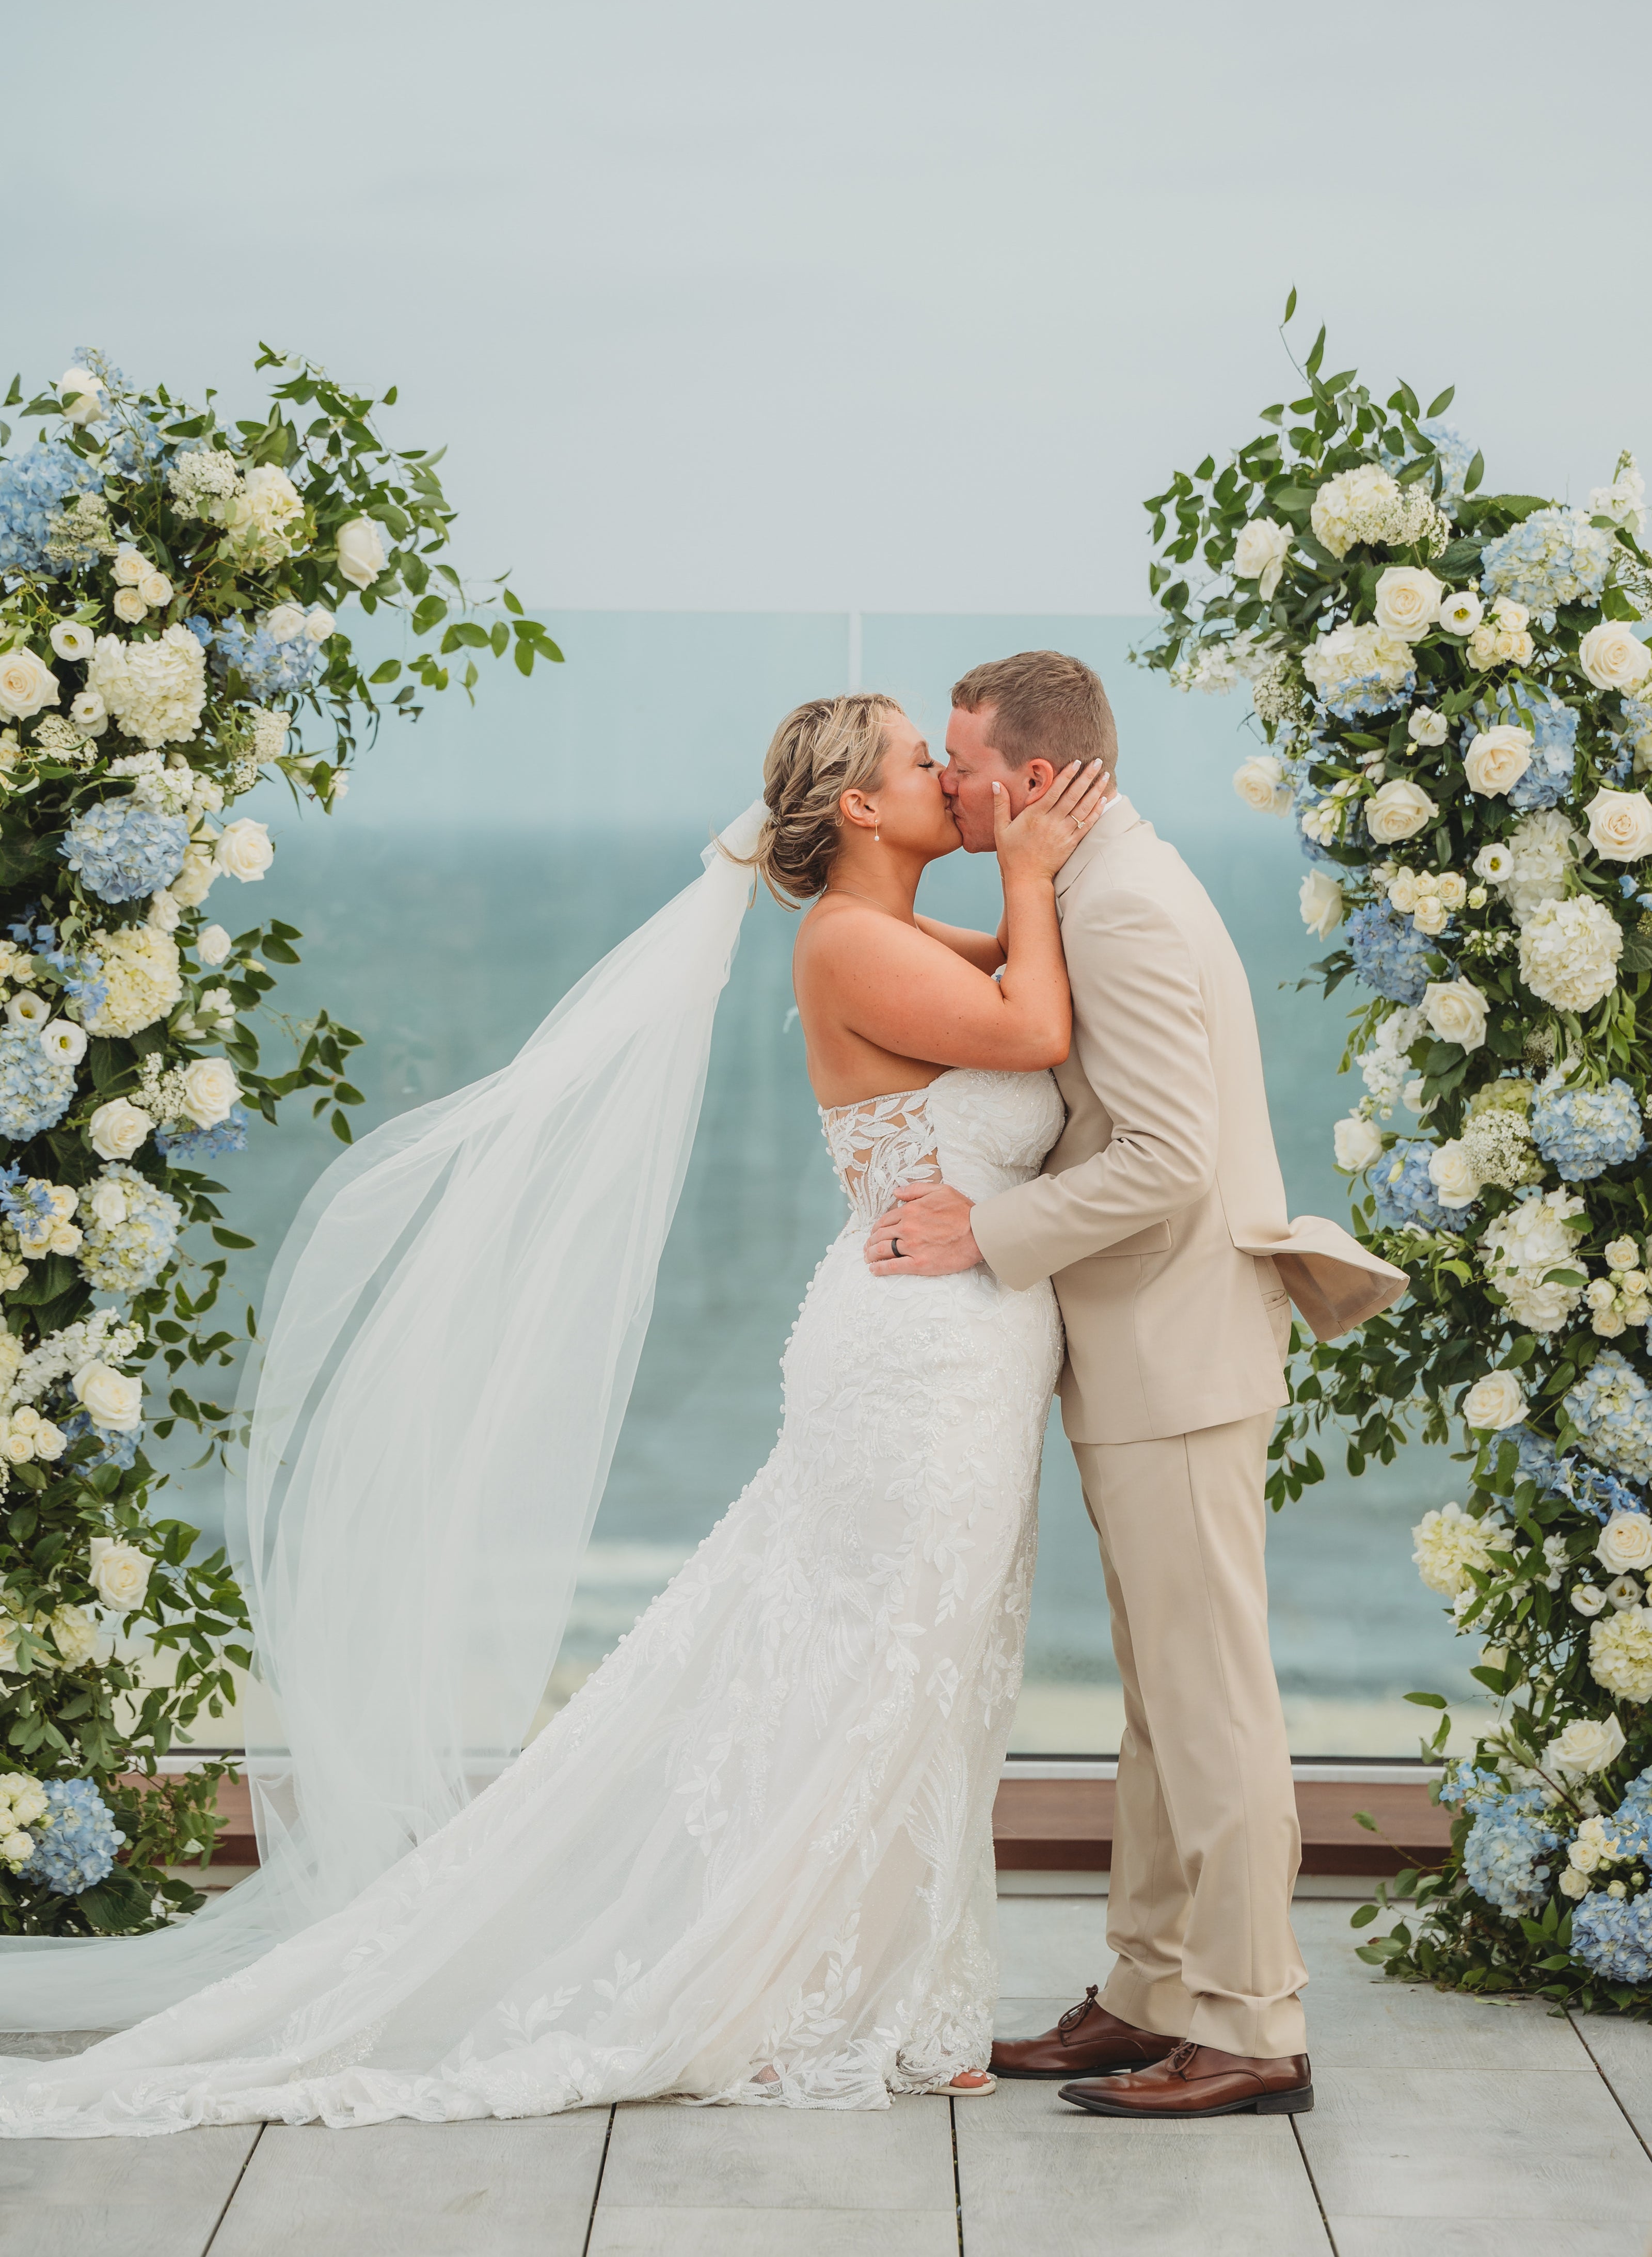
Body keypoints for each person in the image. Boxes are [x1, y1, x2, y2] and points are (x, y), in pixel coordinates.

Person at [0, 692, 1110, 2136]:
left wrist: (1060, 884)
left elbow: (1035, 983)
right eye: (921, 763)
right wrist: (1032, 868)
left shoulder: (888, 935)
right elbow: (1034, 1021)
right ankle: (793, 1993)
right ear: (858, 808)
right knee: (878, 1675)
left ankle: (886, 1988)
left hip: (958, 1357)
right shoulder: (845, 941)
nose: (941, 783)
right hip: (909, 1362)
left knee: (924, 1675)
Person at [866, 650, 1404, 2122]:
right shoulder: (1090, 885)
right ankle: (1152, 1991)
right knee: (1164, 1702)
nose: (958, 790)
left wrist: (989, 1230)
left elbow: (1166, 1159)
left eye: (965, 767)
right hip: (1149, 1352)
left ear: (1034, 779)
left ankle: (1254, 2022)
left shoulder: (1128, 911)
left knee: (1210, 1699)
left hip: (1178, 1354)